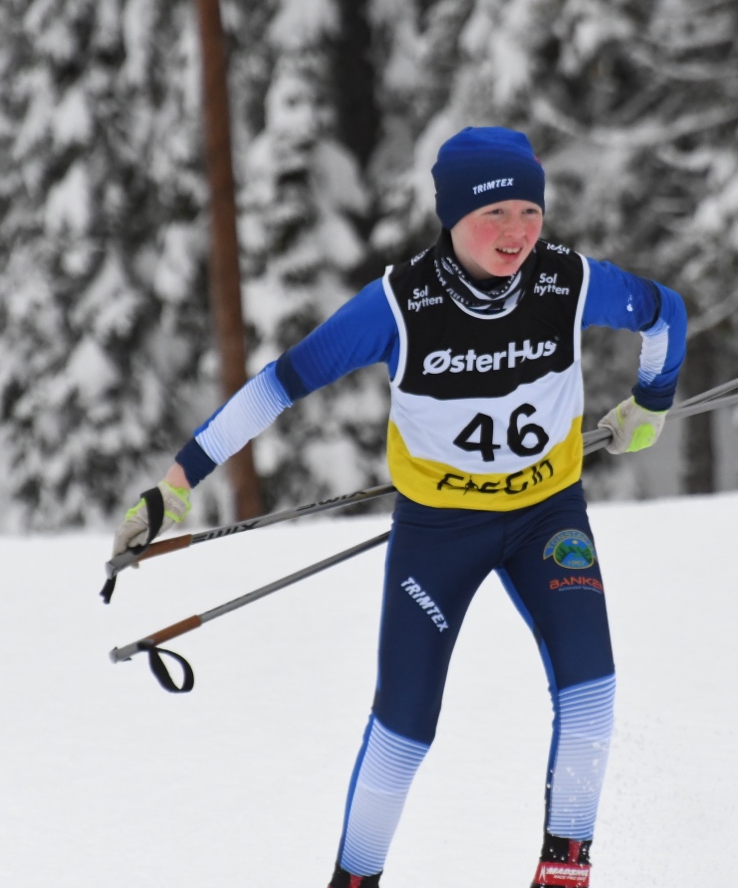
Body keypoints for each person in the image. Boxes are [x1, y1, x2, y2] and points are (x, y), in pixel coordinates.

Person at [112, 126, 687, 888]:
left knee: (592, 689)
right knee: (405, 725)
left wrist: (651, 401)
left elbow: (664, 312)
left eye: (529, 212)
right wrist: (178, 481)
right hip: (440, 533)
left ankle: (564, 872)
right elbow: (279, 384)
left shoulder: (569, 282)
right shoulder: (398, 305)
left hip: (549, 511)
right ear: (451, 216)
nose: (516, 233)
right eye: (494, 215)